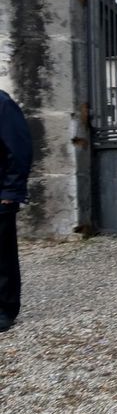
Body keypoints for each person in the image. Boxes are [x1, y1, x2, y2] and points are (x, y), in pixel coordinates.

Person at [0, 89, 32, 334]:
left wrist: (11, 192)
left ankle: (4, 310)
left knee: (2, 256)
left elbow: (19, 149)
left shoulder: (2, 104)